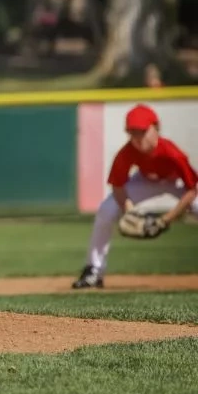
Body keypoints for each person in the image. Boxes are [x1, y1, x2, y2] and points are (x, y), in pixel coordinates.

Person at [72, 104, 198, 289]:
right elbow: (117, 185)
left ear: (156, 128)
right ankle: (94, 270)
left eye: (142, 131)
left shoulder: (172, 153)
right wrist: (130, 212)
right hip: (145, 181)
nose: (137, 138)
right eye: (132, 133)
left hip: (175, 183)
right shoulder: (127, 152)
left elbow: (191, 190)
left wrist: (165, 220)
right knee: (106, 210)